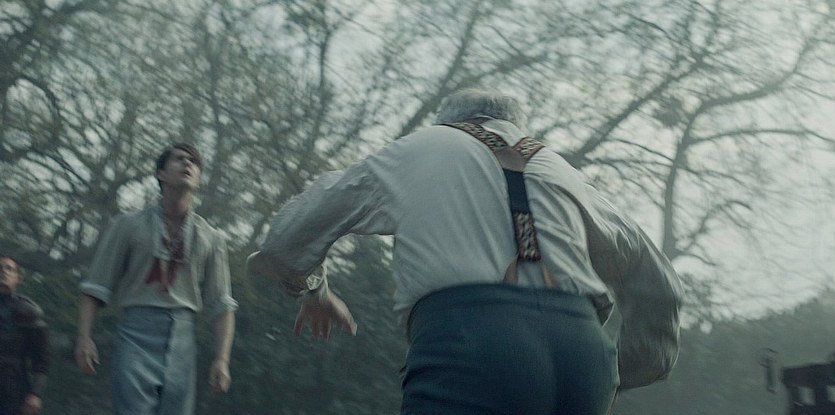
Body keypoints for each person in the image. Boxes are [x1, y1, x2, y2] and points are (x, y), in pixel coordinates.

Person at [248, 88, 683, 414]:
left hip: (471, 347)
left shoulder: (420, 148)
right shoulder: (561, 169)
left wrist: (316, 291)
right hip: (583, 355)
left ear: (447, 121)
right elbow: (659, 284)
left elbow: (288, 238)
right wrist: (620, 372)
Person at [75, 143, 238, 415]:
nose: (187, 164)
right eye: (179, 159)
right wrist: (84, 338)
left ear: (199, 178)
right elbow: (94, 288)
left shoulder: (212, 238)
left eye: (194, 162)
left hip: (183, 338)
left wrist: (222, 359)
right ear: (161, 173)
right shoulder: (128, 225)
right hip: (136, 332)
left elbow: (223, 306)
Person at [0, 254, 49, 415]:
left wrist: (35, 394)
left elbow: (41, 361)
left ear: (18, 278)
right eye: (0, 268)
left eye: (9, 269)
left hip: (13, 389)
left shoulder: (28, 312)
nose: (3, 271)